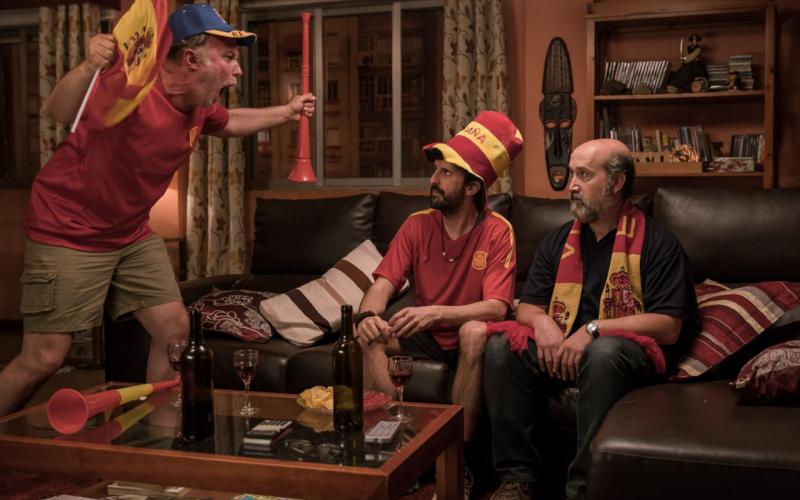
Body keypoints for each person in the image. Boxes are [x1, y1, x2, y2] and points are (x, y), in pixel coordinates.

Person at [0, 3, 315, 417]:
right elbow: (59, 111)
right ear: (192, 59)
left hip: (131, 233)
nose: (238, 70)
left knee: (173, 331)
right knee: (44, 358)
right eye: (229, 57)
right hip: (68, 230)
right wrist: (88, 66)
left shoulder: (199, 105)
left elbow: (230, 122)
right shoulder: (129, 85)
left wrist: (287, 112)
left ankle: (157, 434)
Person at [483, 139, 700, 500]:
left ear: (616, 182)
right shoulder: (558, 242)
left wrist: (593, 330)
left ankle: (582, 489)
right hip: (562, 349)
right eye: (571, 174)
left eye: (584, 175)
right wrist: (543, 324)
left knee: (602, 353)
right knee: (500, 346)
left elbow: (668, 326)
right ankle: (517, 479)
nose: (572, 185)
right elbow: (527, 306)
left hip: (621, 354)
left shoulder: (658, 243)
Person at [356, 111, 523, 446]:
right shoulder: (416, 224)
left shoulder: (498, 231)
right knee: (368, 336)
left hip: (468, 337)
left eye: (446, 173)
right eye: (436, 170)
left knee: (473, 332)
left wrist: (435, 312)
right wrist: (368, 317)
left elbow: (497, 307)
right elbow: (382, 285)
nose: (433, 179)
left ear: (472, 186)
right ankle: (396, 444)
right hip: (426, 335)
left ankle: (459, 457)